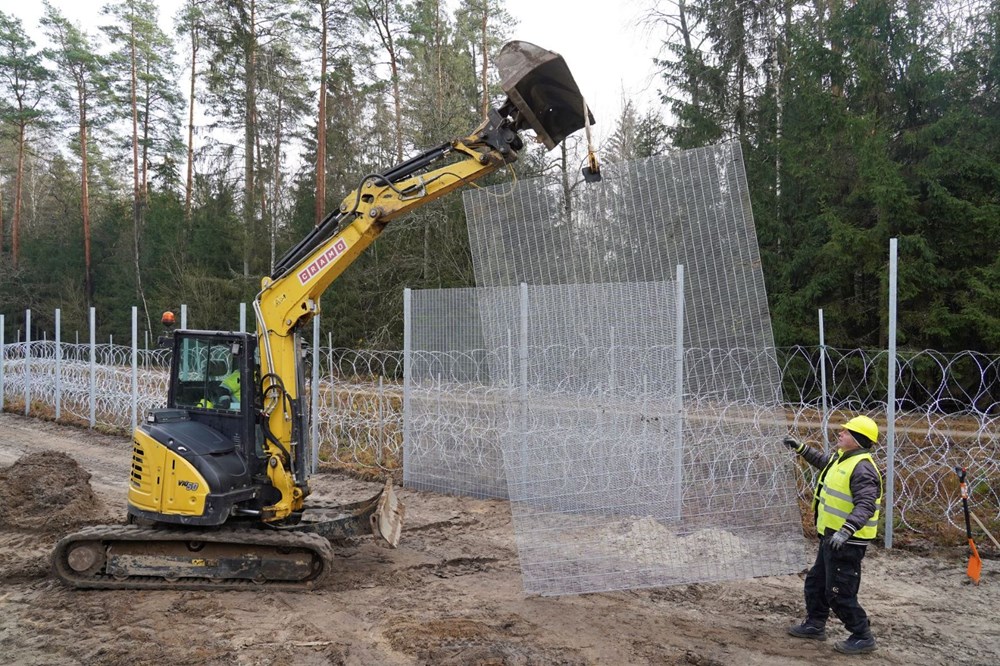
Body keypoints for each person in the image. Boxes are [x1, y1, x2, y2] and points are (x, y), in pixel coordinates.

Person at [782, 415, 884, 655]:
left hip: (847, 542)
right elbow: (824, 462)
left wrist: (846, 530)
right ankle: (815, 624)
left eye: (846, 432)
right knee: (816, 583)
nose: (841, 433)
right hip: (830, 537)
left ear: (858, 439)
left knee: (839, 592)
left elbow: (866, 505)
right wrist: (801, 448)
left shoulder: (862, 468)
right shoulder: (843, 458)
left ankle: (862, 635)